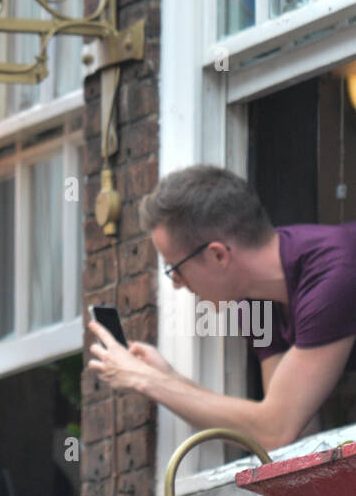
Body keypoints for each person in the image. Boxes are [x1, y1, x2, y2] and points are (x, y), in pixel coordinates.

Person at [87, 165, 356, 452]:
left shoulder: (333, 275)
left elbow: (276, 428)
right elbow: (292, 429)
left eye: (174, 268)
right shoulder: (254, 303)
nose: (176, 283)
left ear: (217, 255)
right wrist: (168, 378)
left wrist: (147, 380)